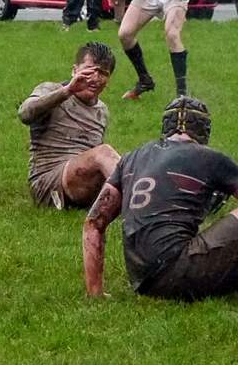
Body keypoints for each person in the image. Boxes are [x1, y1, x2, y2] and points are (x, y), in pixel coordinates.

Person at [83, 96, 238, 300]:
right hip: (179, 273)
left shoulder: (131, 158)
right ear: (204, 129)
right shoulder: (210, 158)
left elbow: (93, 224)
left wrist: (95, 293)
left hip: (143, 283)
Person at [17, 41, 120, 209]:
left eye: (103, 74)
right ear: (75, 70)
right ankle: (138, 203)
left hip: (81, 181)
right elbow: (24, 114)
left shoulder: (102, 110)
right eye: (89, 71)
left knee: (134, 160)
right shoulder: (51, 89)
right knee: (105, 153)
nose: (95, 78)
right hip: (49, 184)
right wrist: (67, 91)